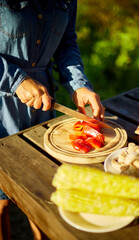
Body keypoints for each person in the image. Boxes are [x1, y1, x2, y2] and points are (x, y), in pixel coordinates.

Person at [0, 0, 105, 239]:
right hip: (1, 107)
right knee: (1, 202)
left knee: (41, 191)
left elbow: (66, 44)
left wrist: (79, 86)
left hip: (42, 108)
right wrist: (15, 80)